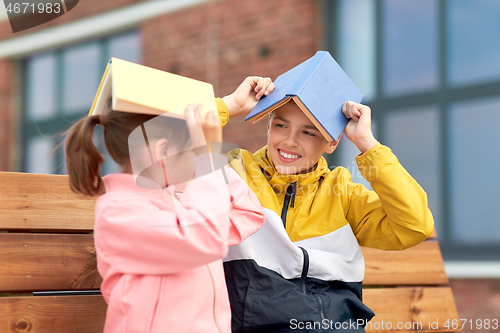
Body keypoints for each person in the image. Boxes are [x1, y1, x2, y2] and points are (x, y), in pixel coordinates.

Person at [216, 77, 435, 332]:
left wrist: (367, 143)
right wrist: (230, 105)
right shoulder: (235, 173)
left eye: (308, 132)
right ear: (268, 126)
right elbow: (161, 151)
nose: (289, 141)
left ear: (332, 142)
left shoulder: (340, 191)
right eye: (281, 126)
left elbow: (415, 226)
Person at [64, 103, 266, 333]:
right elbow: (206, 238)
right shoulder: (119, 213)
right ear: (162, 153)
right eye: (194, 153)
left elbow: (247, 212)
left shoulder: (178, 198)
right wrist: (207, 159)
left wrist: (209, 153)